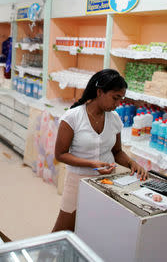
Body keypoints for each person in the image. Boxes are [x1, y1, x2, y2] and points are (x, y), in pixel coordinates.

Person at [52, 69, 148, 232]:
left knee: (96, 231)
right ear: (99, 92)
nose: (118, 104)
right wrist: (91, 164)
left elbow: (117, 152)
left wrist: (132, 163)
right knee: (63, 231)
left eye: (121, 99)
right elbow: (60, 154)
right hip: (78, 181)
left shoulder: (114, 119)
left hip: (107, 182)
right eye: (115, 98)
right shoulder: (73, 117)